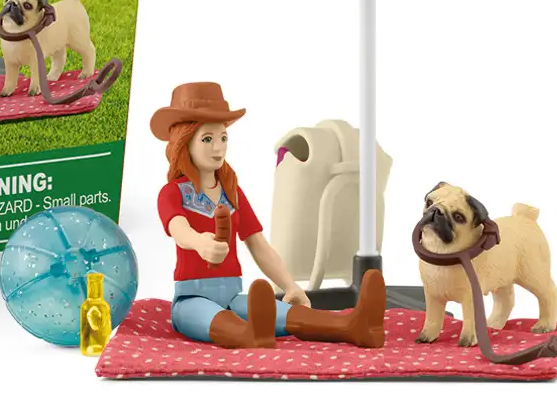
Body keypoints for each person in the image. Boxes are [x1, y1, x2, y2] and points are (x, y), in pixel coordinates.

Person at [152, 82, 385, 349]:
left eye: (223, 138)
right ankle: (249, 334)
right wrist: (199, 243)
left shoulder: (232, 193)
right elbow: (179, 229)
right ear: (184, 141)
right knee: (213, 318)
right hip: (191, 299)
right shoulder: (172, 193)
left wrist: (290, 286)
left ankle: (353, 325)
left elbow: (258, 245)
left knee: (282, 312)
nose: (219, 147)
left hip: (233, 296)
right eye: (207, 139)